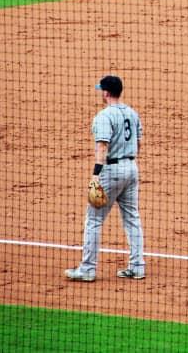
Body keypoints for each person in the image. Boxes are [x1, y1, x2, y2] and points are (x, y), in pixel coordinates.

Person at [65, 75, 146, 281]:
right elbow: (139, 143)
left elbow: (102, 146)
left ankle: (87, 269)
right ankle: (137, 266)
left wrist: (96, 174)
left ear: (106, 92)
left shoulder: (104, 116)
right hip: (132, 168)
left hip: (111, 171)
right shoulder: (132, 113)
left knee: (93, 220)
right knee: (132, 218)